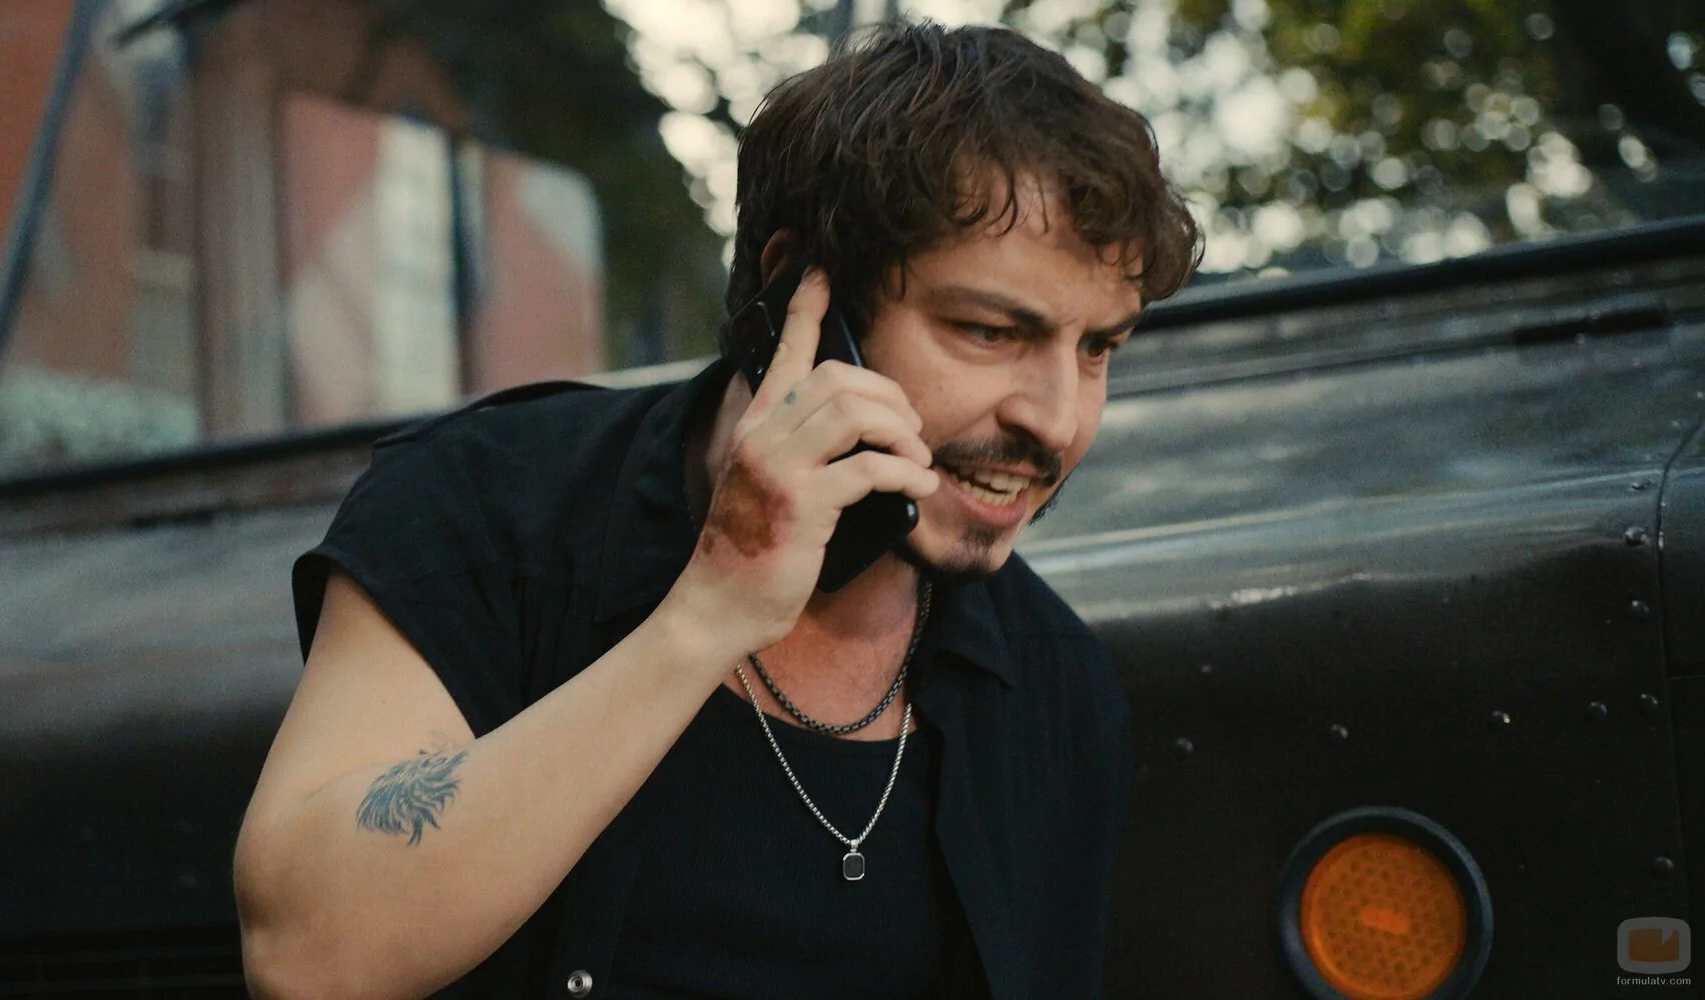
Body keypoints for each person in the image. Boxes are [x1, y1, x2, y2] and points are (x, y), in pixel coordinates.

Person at [234, 19, 1201, 1000]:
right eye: (989, 330)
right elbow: (306, 954)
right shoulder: (484, 507)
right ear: (797, 295)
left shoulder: (1054, 685)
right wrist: (711, 612)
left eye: (1098, 348)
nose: (1057, 419)